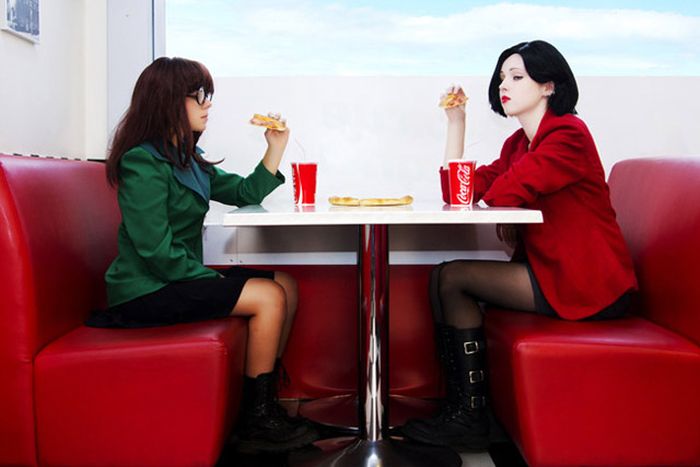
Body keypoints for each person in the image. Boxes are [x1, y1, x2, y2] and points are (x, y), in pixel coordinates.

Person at [401, 40, 637, 451]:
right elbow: (461, 192)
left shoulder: (568, 134)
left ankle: (471, 416)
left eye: (516, 76)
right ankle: (464, 410)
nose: (503, 86)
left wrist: (511, 207)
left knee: (452, 278)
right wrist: (456, 124)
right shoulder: (518, 144)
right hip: (553, 274)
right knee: (443, 277)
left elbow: (503, 193)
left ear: (548, 86)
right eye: (501, 78)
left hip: (589, 285)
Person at [86, 57, 319, 453]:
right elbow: (155, 251)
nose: (207, 104)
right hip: (146, 290)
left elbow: (245, 193)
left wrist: (275, 147)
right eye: (198, 96)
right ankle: (257, 423)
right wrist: (216, 281)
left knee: (286, 285)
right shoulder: (142, 161)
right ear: (167, 101)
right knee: (268, 296)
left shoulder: (188, 159)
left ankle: (261, 404)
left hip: (175, 277)